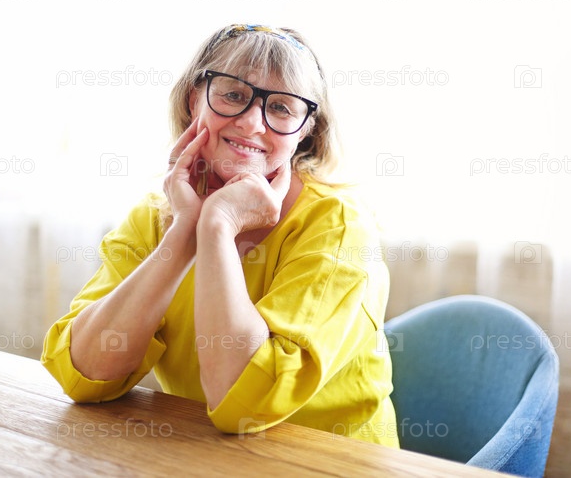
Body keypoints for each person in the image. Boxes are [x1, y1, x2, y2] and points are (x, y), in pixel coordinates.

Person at [41, 23, 398, 446]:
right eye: (233, 95)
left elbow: (243, 404)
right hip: (200, 458)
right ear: (195, 100)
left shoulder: (340, 228)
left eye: (281, 108)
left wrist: (218, 225)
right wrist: (183, 235)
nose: (251, 123)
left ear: (305, 129)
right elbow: (83, 373)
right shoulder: (157, 216)